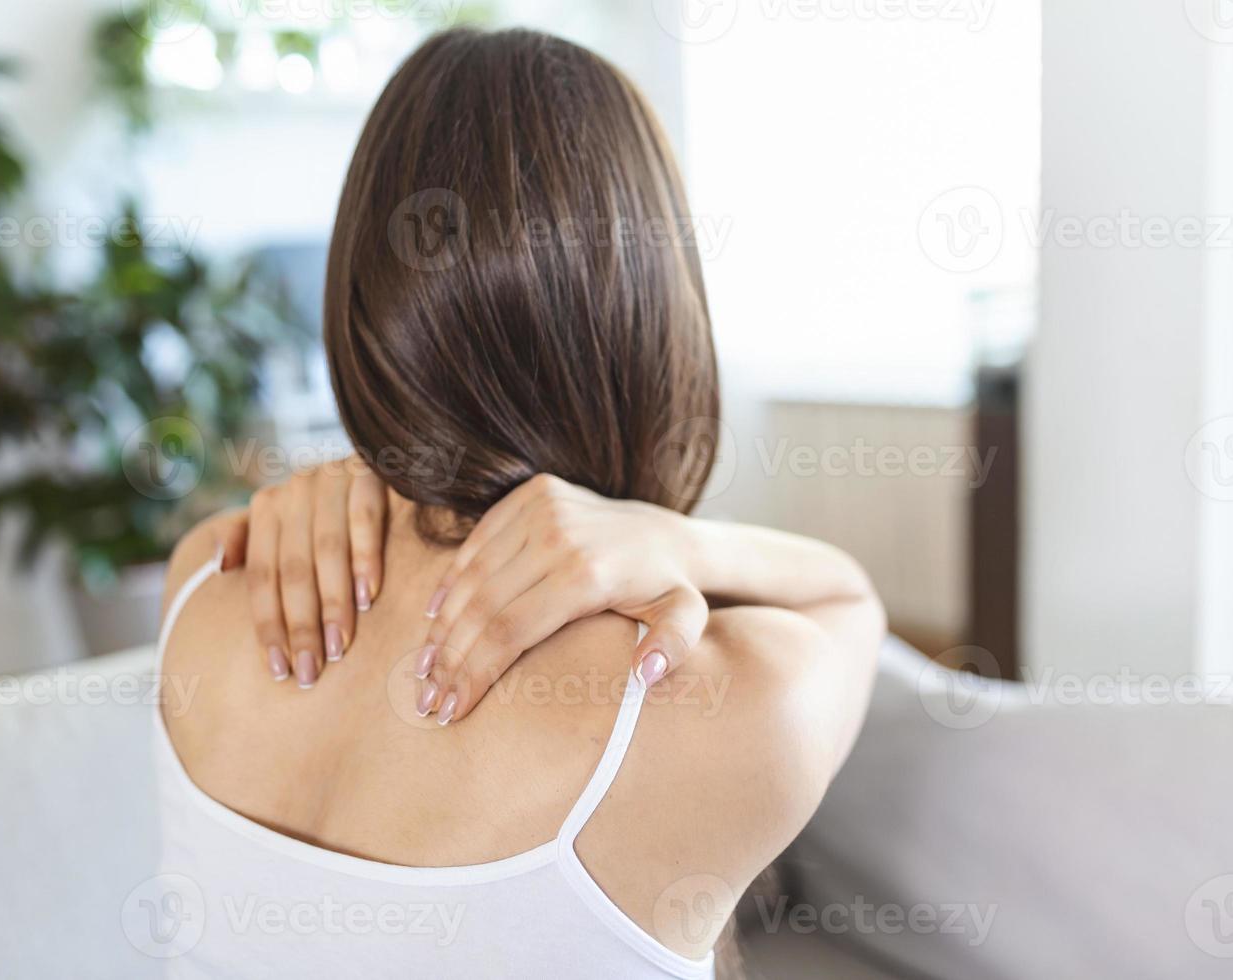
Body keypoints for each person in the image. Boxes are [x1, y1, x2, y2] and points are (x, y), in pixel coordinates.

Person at [155, 27, 883, 978]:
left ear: (365, 292)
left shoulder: (209, 581)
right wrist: (680, 543)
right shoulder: (724, 697)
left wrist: (369, 468)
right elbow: (851, 602)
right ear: (650, 302)